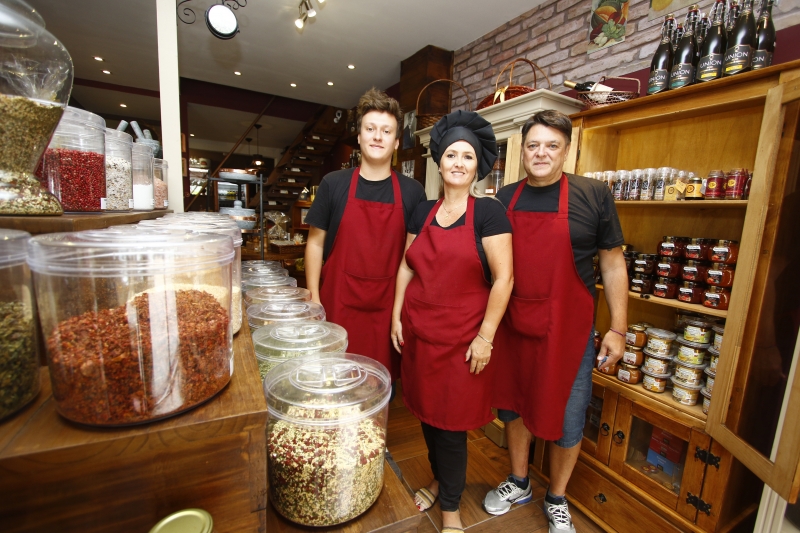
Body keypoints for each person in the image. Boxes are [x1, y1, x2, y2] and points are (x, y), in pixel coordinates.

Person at [482, 110, 628, 533]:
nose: (541, 153)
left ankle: (557, 497)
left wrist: (618, 328)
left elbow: (613, 264)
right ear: (522, 150)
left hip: (568, 330)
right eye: (533, 145)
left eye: (552, 145)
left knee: (569, 416)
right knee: (513, 406)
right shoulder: (503, 199)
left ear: (567, 150)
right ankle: (519, 481)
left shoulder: (593, 195)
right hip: (513, 324)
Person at [391, 110, 514, 533]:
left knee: (451, 429)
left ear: (477, 166)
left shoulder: (489, 214)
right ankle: (439, 480)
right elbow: (406, 266)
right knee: (427, 419)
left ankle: (451, 510)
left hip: (463, 341)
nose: (458, 163)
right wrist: (396, 316)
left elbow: (504, 279)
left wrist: (485, 338)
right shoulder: (422, 211)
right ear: (439, 162)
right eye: (451, 155)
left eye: (467, 156)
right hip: (420, 336)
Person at [305, 87, 426, 384]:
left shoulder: (413, 192)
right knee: (334, 385)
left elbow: (415, 258)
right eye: (370, 129)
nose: (377, 137)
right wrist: (314, 300)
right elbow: (315, 244)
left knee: (379, 387)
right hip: (337, 306)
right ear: (359, 137)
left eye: (386, 131)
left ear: (396, 142)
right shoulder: (333, 184)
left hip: (387, 311)